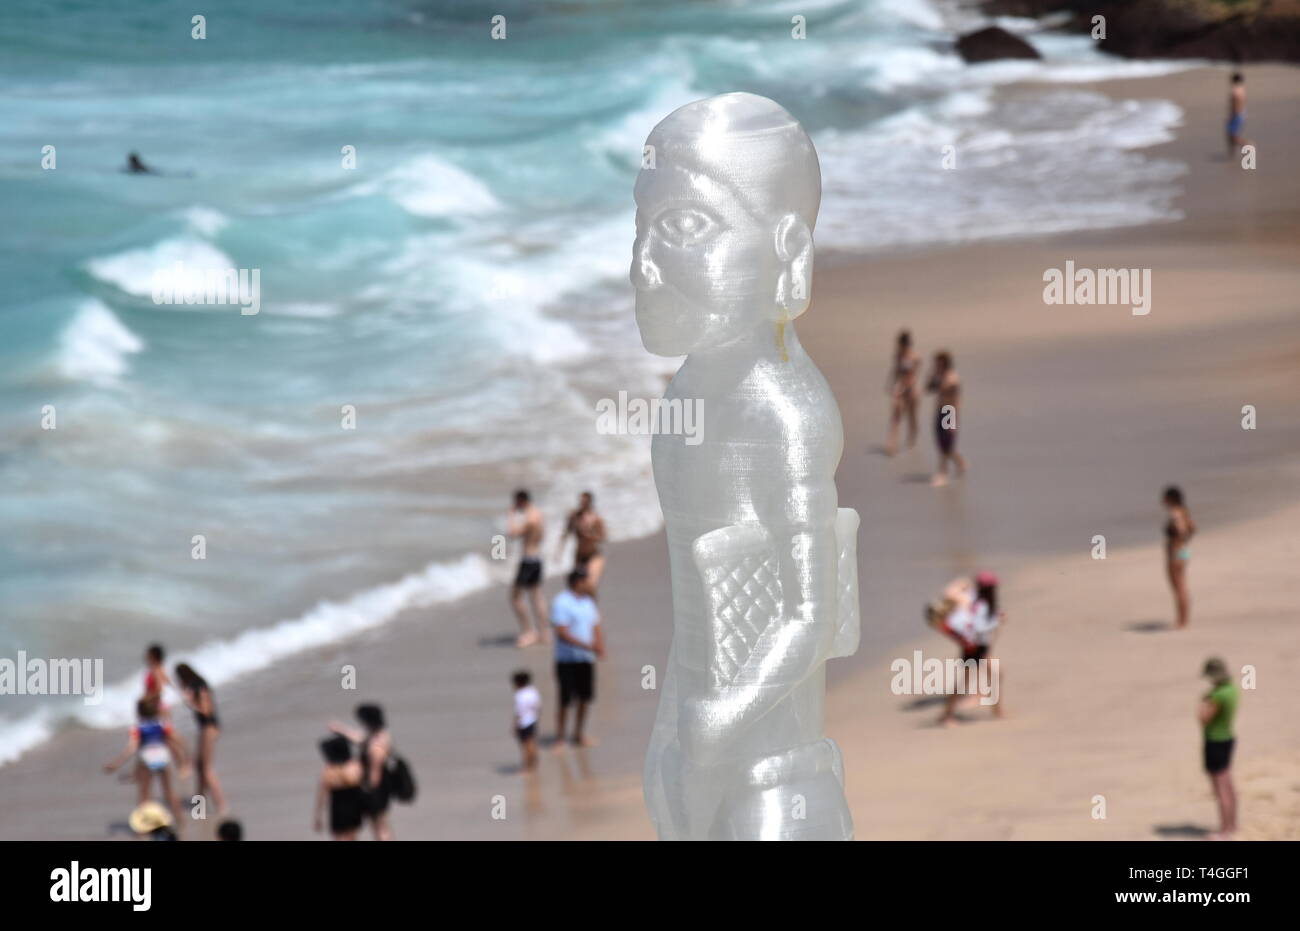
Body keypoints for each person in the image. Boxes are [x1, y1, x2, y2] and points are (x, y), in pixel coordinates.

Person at [104, 696, 190, 833]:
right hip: (163, 759)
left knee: (144, 795)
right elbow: (179, 740)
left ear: (139, 712)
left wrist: (116, 763)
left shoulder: (137, 728)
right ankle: (180, 821)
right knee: (169, 792)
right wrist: (186, 759)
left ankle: (143, 828)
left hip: (146, 761)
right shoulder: (162, 725)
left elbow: (132, 748)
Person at [936, 571, 1004, 726]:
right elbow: (980, 627)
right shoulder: (981, 605)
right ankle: (947, 716)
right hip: (973, 647)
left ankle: (996, 709)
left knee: (996, 674)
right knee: (965, 683)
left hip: (977, 646)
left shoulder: (977, 601)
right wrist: (997, 621)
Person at [550, 569, 604, 747]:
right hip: (567, 659)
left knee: (585, 697)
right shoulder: (561, 602)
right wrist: (588, 646)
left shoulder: (589, 602)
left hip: (586, 659)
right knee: (565, 699)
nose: (589, 584)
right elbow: (562, 633)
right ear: (577, 582)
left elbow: (595, 625)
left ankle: (578, 733)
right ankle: (560, 737)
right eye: (586, 581)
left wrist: (599, 645)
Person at [329, 704, 393, 840]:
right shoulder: (380, 735)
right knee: (380, 823)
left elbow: (375, 774)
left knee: (379, 825)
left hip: (376, 788)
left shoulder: (376, 744)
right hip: (381, 787)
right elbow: (360, 739)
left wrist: (367, 792)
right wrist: (341, 730)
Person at [174, 663, 227, 818]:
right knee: (199, 767)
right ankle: (199, 805)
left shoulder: (199, 686)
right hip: (206, 728)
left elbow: (206, 710)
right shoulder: (197, 685)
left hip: (209, 728)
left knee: (206, 769)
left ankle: (221, 805)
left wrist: (191, 703)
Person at [1198, 657, 1238, 839]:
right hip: (1228, 737)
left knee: (1220, 787)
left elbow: (1204, 719)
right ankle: (1232, 824)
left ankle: (1225, 829)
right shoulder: (1232, 689)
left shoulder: (1217, 695)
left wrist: (1203, 702)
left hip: (1215, 740)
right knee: (1228, 784)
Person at [508, 489, 547, 647]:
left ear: (521, 501)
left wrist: (510, 515)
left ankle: (528, 631)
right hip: (537, 558)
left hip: (528, 561)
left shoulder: (530, 518)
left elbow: (512, 533)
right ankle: (544, 632)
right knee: (536, 596)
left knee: (515, 597)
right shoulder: (538, 514)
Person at [925, 350, 967, 486]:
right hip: (940, 410)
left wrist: (954, 420)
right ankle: (960, 462)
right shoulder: (938, 376)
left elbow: (954, 398)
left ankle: (942, 473)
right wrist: (931, 375)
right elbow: (928, 388)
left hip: (949, 411)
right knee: (942, 443)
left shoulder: (952, 377)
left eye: (939, 363)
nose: (937, 365)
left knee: (946, 442)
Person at [314, 735, 363, 841]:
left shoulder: (328, 772)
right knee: (353, 837)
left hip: (338, 809)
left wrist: (318, 816)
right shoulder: (355, 767)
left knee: (339, 838)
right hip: (354, 807)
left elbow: (322, 796)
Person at [556, 491, 608, 591]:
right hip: (579, 556)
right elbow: (566, 534)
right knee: (577, 587)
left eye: (584, 502)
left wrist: (590, 535)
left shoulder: (596, 518)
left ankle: (591, 606)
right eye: (581, 502)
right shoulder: (574, 517)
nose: (582, 504)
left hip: (593, 555)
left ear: (589, 503)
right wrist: (559, 552)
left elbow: (603, 537)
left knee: (590, 586)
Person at [1163, 485, 1196, 628]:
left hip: (1176, 551)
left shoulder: (1175, 513)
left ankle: (1181, 621)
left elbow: (1181, 529)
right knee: (1182, 584)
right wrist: (1184, 540)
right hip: (1184, 550)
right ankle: (1183, 619)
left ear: (1170, 498)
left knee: (1178, 586)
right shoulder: (1185, 512)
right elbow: (1193, 528)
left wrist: (1179, 538)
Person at [884, 329, 921, 456]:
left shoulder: (915, 357)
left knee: (912, 417)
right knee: (895, 417)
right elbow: (895, 371)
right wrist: (891, 384)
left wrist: (905, 386)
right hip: (900, 390)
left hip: (910, 390)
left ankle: (912, 436)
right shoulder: (898, 356)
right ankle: (891, 444)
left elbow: (914, 375)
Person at [511, 670, 542, 770]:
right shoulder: (533, 691)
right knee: (532, 741)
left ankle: (527, 765)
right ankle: (534, 759)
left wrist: (515, 726)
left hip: (523, 723)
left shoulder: (519, 695)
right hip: (533, 720)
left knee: (525, 745)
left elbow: (518, 712)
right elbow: (538, 706)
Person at [142, 644, 172, 717]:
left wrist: (146, 699)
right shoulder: (158, 669)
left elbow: (160, 689)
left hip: (155, 706)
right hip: (156, 705)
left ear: (154, 657)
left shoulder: (157, 670)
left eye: (148, 655)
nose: (146, 657)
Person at [1226, 72, 1248, 157]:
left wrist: (1232, 116)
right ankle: (1231, 154)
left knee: (1233, 136)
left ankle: (1248, 145)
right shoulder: (1242, 89)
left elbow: (1236, 105)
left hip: (1236, 115)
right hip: (1241, 114)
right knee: (1231, 135)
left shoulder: (1235, 91)